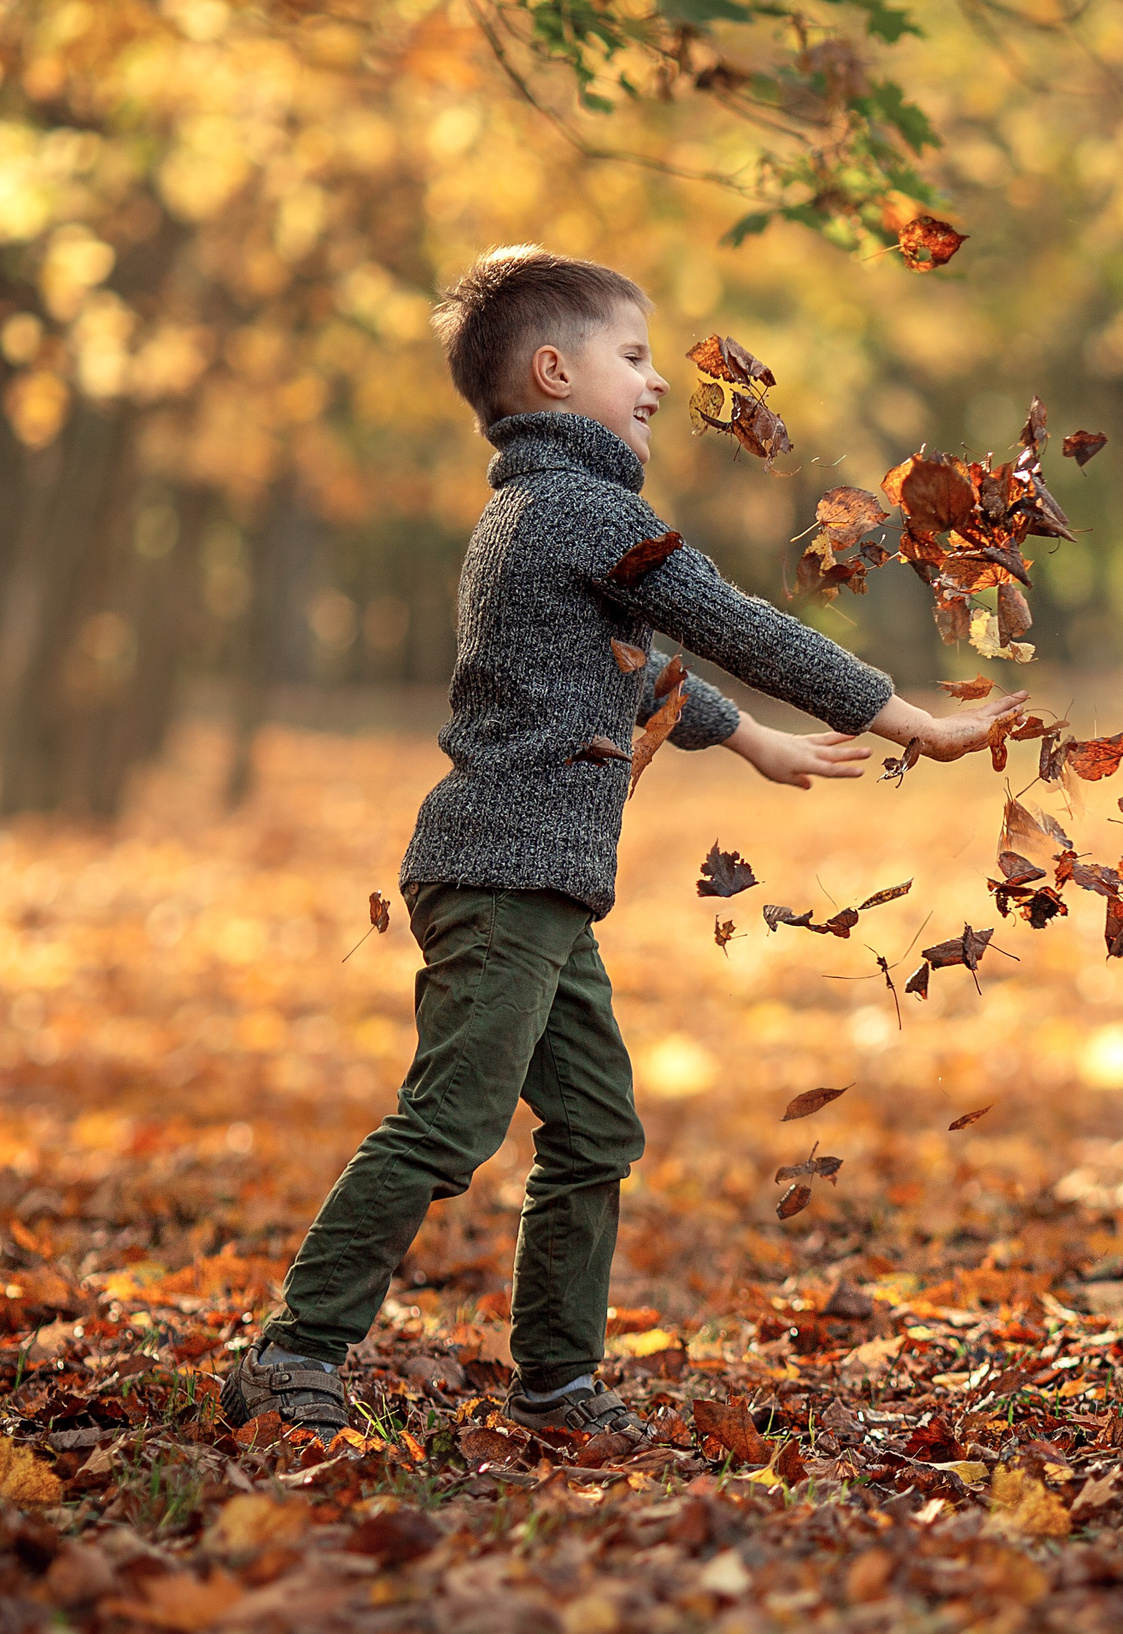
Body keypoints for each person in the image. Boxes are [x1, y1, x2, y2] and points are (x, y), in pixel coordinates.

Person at [220, 247, 1023, 1440]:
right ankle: (294, 1347)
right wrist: (906, 717)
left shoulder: (537, 513)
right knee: (449, 1123)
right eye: (634, 357)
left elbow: (619, 665)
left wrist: (747, 737)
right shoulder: (580, 510)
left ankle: (554, 1384)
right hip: (502, 879)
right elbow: (729, 619)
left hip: (530, 884)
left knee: (594, 1130)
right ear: (554, 372)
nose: (655, 382)